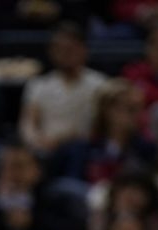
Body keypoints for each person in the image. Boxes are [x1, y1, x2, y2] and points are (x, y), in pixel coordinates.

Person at [18, 21, 107, 155]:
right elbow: (28, 123)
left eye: (71, 48)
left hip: (86, 150)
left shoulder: (101, 84)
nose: (66, 54)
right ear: (51, 52)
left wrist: (68, 139)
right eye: (60, 49)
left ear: (84, 49)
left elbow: (103, 127)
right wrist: (35, 142)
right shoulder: (39, 85)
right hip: (45, 151)